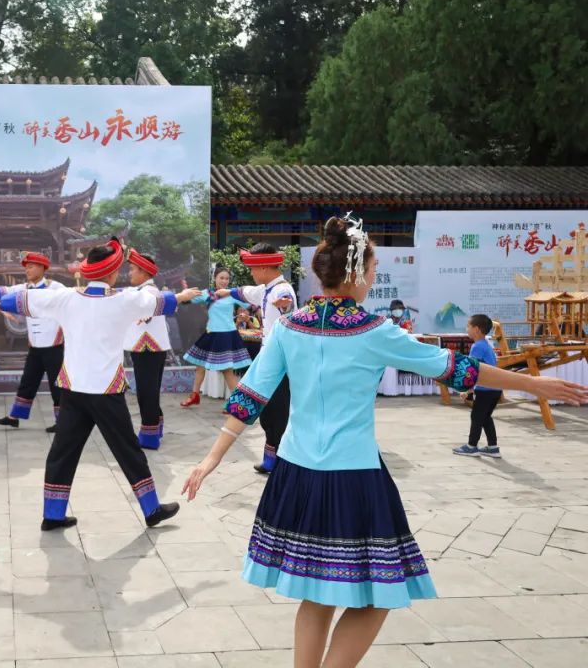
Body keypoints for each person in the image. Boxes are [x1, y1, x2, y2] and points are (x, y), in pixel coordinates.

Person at [181, 214, 588, 667]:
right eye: (373, 270)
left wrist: (210, 460)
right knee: (379, 595)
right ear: (356, 274)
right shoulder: (374, 331)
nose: (374, 279)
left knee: (316, 594)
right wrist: (534, 383)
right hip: (353, 476)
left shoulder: (290, 327)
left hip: (295, 473)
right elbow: (457, 369)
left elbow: (249, 397)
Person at [0, 238, 199, 530]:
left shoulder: (65, 298)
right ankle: (151, 509)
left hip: (73, 389)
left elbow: (9, 302)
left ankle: (52, 514)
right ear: (113, 273)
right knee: (128, 451)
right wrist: (182, 295)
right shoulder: (125, 300)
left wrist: (3, 294)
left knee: (62, 452)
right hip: (106, 391)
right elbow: (165, 302)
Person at [0, 251, 66, 433]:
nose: (27, 270)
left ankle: (62, 421)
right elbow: (2, 291)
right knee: (27, 382)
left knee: (56, 385)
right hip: (35, 347)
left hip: (54, 346)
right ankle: (14, 417)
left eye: (31, 267)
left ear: (42, 268)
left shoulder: (57, 288)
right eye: (26, 267)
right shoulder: (23, 288)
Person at [227, 244, 298, 474]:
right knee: (267, 410)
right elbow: (245, 292)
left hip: (281, 362)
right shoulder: (266, 289)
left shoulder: (281, 290)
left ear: (265, 267)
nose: (251, 272)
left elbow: (286, 301)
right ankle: (271, 457)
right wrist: (224, 292)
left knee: (277, 409)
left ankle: (279, 460)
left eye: (253, 268)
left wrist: (285, 304)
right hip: (269, 359)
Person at [122, 249, 174, 450]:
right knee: (149, 391)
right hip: (148, 348)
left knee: (147, 392)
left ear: (144, 272)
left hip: (148, 348)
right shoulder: (141, 290)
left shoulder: (149, 291)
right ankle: (155, 429)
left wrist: (146, 314)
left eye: (132, 269)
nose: (129, 273)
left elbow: (149, 305)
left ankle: (149, 436)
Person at [179, 266, 253, 407]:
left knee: (227, 371)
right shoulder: (207, 294)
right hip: (211, 333)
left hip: (227, 335)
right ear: (215, 278)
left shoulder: (232, 294)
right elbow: (187, 299)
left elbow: (249, 304)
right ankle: (195, 396)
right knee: (200, 366)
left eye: (227, 278)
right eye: (221, 278)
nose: (224, 281)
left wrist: (245, 313)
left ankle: (237, 404)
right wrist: (182, 294)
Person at [453, 314, 503, 458]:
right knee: (485, 417)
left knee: (476, 417)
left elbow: (471, 371)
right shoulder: (486, 345)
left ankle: (471, 446)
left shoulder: (477, 347)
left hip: (485, 390)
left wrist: (467, 390)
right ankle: (493, 448)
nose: (466, 329)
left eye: (468, 326)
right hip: (495, 389)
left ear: (476, 329)